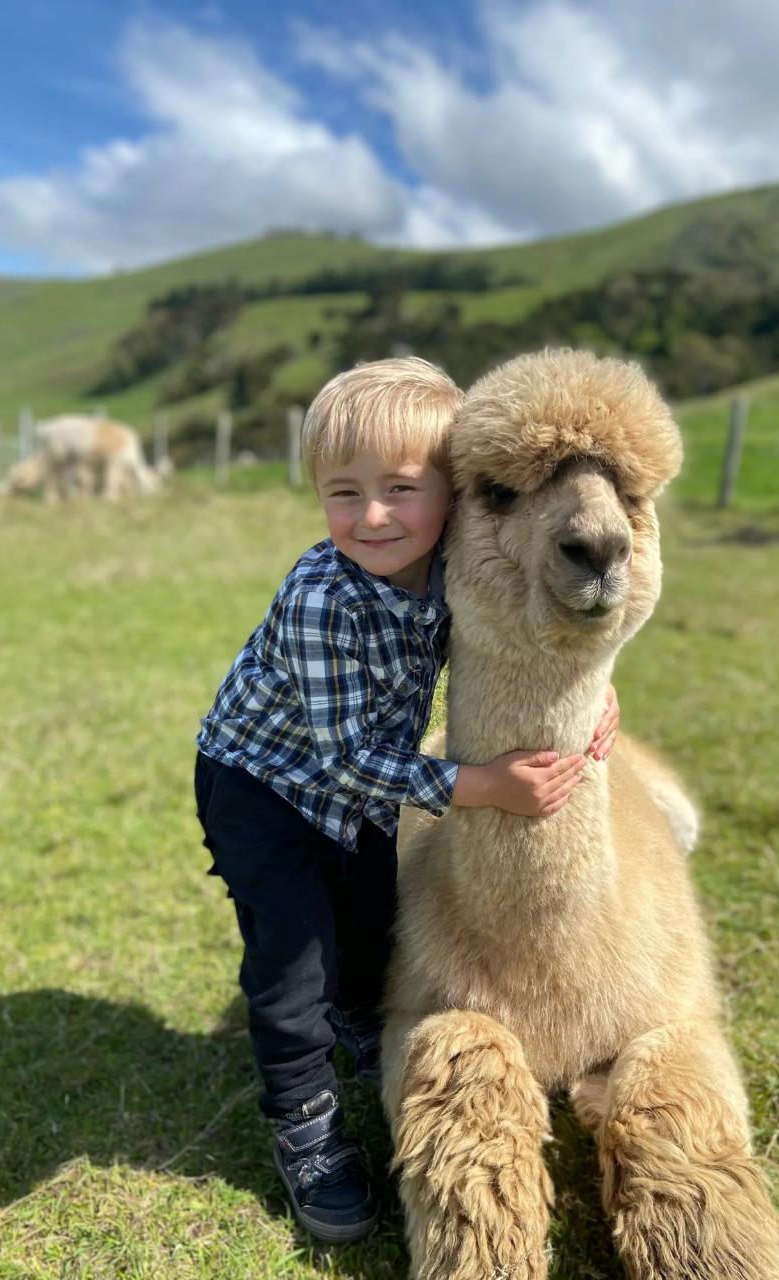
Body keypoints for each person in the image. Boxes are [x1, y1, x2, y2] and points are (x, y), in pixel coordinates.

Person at [194, 356, 619, 1244]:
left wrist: (590, 699)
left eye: (400, 488)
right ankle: (305, 1122)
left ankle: (353, 1015)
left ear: (452, 498)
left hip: (357, 782)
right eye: (343, 494)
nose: (373, 516)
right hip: (262, 787)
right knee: (291, 960)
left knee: (372, 917)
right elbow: (348, 760)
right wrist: (482, 787)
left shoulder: (450, 571)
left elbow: (518, 647)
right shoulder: (323, 599)